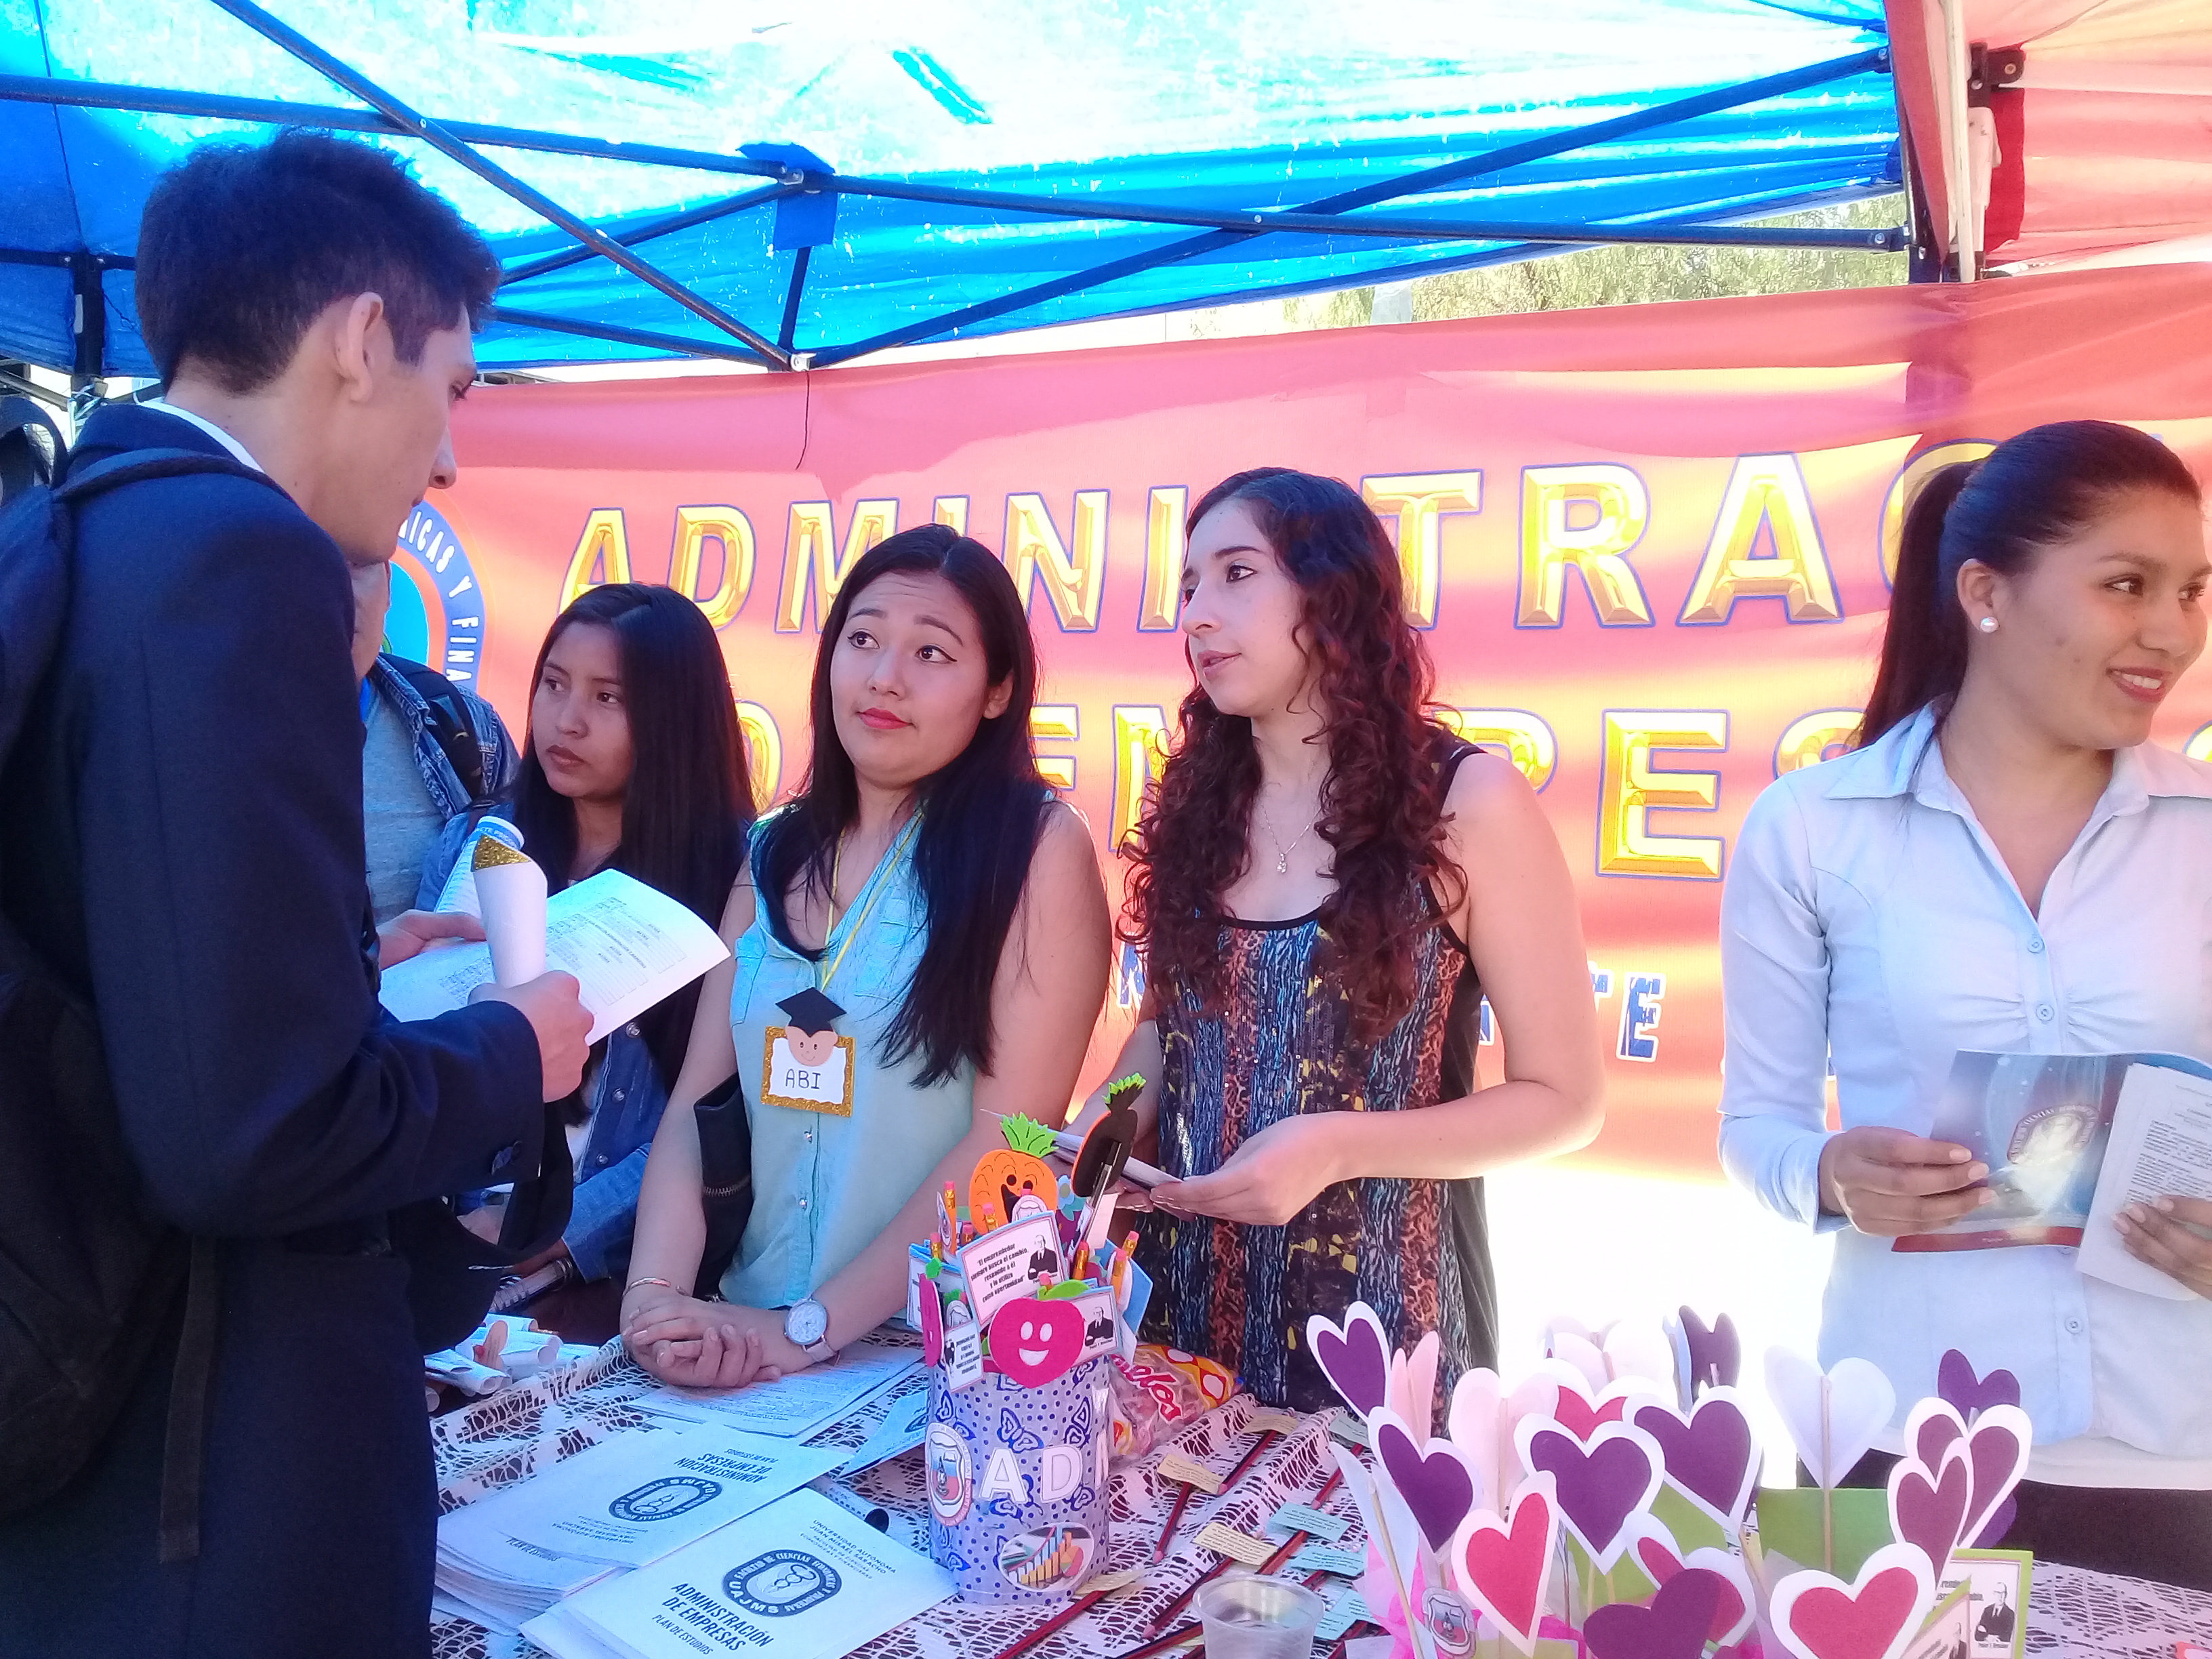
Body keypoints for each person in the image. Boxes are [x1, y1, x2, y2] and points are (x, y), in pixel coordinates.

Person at [0, 134, 591, 1656]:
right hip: (215, 1466)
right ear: (361, 339)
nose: (449, 459)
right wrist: (514, 1046)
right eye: (456, 388)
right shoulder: (241, 557)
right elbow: (256, 1134)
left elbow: (137, 970)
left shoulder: (85, 524)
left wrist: (342, 961)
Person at [1718, 420, 2212, 1589]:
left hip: (2176, 1444)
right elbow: (1755, 1131)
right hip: (1896, 1430)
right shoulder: (1813, 830)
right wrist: (1832, 1174)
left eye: (2192, 591)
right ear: (1983, 592)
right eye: (2125, 585)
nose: (2170, 630)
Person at [1073, 467, 1605, 1410]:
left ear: (1333, 593)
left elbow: (1565, 1102)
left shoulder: (1466, 800)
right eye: (1188, 587)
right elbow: (1165, 1035)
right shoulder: (1197, 806)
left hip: (1391, 1348)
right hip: (1178, 1339)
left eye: (1237, 574)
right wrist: (1094, 1137)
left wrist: (1336, 1146)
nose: (1196, 614)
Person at [621, 525, 1111, 1385]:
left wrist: (807, 1331)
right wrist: (653, 1302)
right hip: (744, 1329)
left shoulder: (1035, 849)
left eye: (932, 653)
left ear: (997, 691)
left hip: (928, 1363)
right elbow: (699, 1101)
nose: (885, 677)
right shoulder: (773, 848)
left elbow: (1011, 1144)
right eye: (863, 640)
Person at [419, 583, 753, 1316]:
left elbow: (718, 1115)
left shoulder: (738, 877)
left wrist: (548, 1232)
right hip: (449, 1249)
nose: (566, 720)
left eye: (608, 698)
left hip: (613, 1281)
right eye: (554, 683)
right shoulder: (479, 843)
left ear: (675, 717)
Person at [350, 555, 520, 925]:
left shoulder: (468, 725)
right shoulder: (217, 741)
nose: (339, 596)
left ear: (388, 584)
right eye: (310, 561)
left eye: (357, 565)